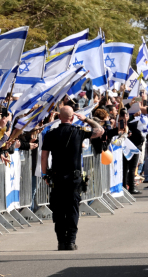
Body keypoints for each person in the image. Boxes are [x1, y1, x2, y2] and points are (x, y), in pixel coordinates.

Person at [41, 106, 104, 250]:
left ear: (59, 118)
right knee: (72, 209)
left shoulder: (51, 134)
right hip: (73, 178)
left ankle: (61, 241)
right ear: (72, 118)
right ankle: (70, 241)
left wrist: (44, 174)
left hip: (57, 177)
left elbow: (44, 156)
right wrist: (87, 119)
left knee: (59, 209)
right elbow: (100, 131)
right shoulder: (79, 131)